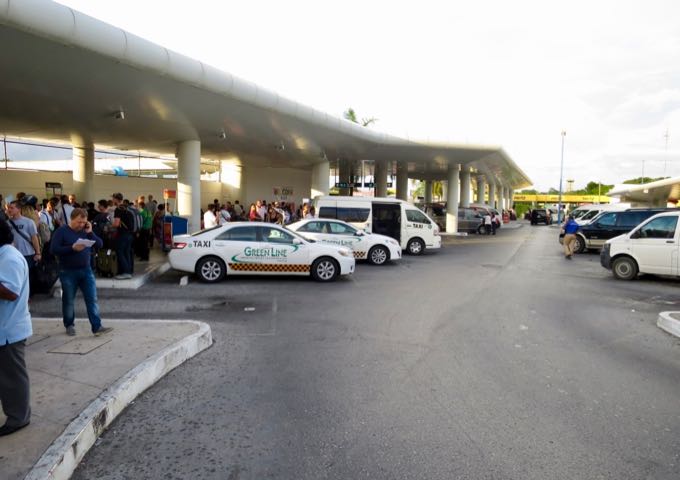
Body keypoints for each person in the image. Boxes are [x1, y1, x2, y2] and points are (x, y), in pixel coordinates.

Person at [50, 208, 112, 336]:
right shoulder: (61, 231)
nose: (81, 225)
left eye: (84, 222)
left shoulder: (86, 231)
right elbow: (54, 249)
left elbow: (100, 245)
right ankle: (69, 324)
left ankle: (97, 326)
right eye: (79, 222)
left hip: (86, 270)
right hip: (67, 271)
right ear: (71, 219)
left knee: (92, 299)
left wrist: (90, 233)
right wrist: (71, 248)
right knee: (68, 300)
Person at [0, 219, 32, 436]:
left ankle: (18, 418)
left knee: (12, 378)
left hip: (9, 330)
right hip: (5, 328)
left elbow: (11, 292)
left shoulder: (9, 258)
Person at [6, 200, 41, 296]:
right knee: (16, 276)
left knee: (28, 277)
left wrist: (38, 253)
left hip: (28, 254)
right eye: (8, 208)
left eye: (12, 208)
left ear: (19, 209)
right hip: (13, 255)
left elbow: (34, 238)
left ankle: (27, 296)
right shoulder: (7, 223)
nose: (9, 210)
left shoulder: (29, 222)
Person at [111, 193, 134, 280]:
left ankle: (126, 272)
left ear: (116, 199)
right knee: (126, 252)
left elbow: (116, 223)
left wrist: (111, 225)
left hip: (123, 234)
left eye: (113, 198)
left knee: (120, 252)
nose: (112, 200)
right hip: (130, 234)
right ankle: (129, 271)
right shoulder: (126, 208)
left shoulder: (118, 209)